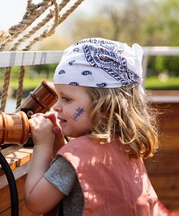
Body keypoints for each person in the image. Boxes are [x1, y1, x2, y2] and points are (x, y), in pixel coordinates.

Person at [24, 37, 159, 216]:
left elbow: (35, 202)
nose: (56, 107)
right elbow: (83, 173)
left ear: (103, 107)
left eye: (67, 99)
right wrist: (59, 144)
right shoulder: (127, 145)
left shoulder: (76, 155)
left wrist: (42, 144)